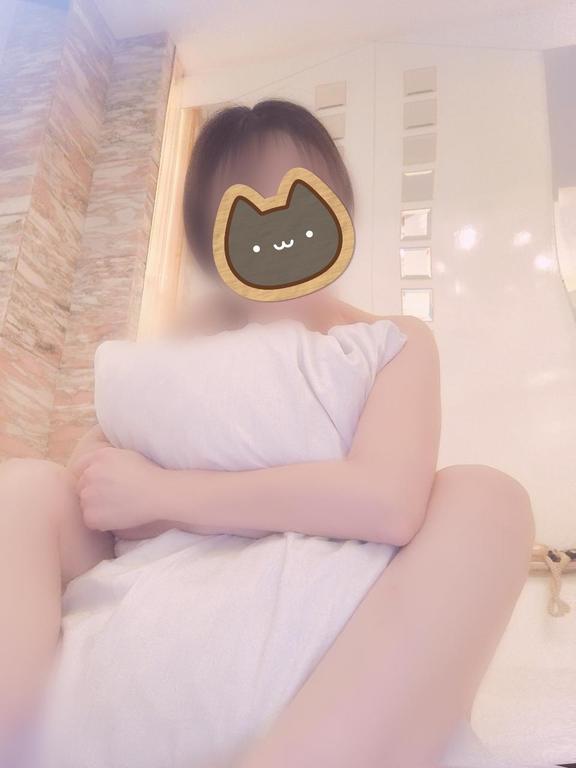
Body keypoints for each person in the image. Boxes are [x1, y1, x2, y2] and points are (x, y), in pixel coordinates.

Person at [0, 100, 534, 768]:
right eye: (245, 208)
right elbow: (96, 475)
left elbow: (388, 503)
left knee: (488, 499)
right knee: (26, 487)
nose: (277, 224)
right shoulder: (184, 346)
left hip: (341, 625)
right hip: (163, 581)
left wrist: (167, 494)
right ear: (211, 240)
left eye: (299, 198)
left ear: (336, 212)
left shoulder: (391, 340)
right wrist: (118, 485)